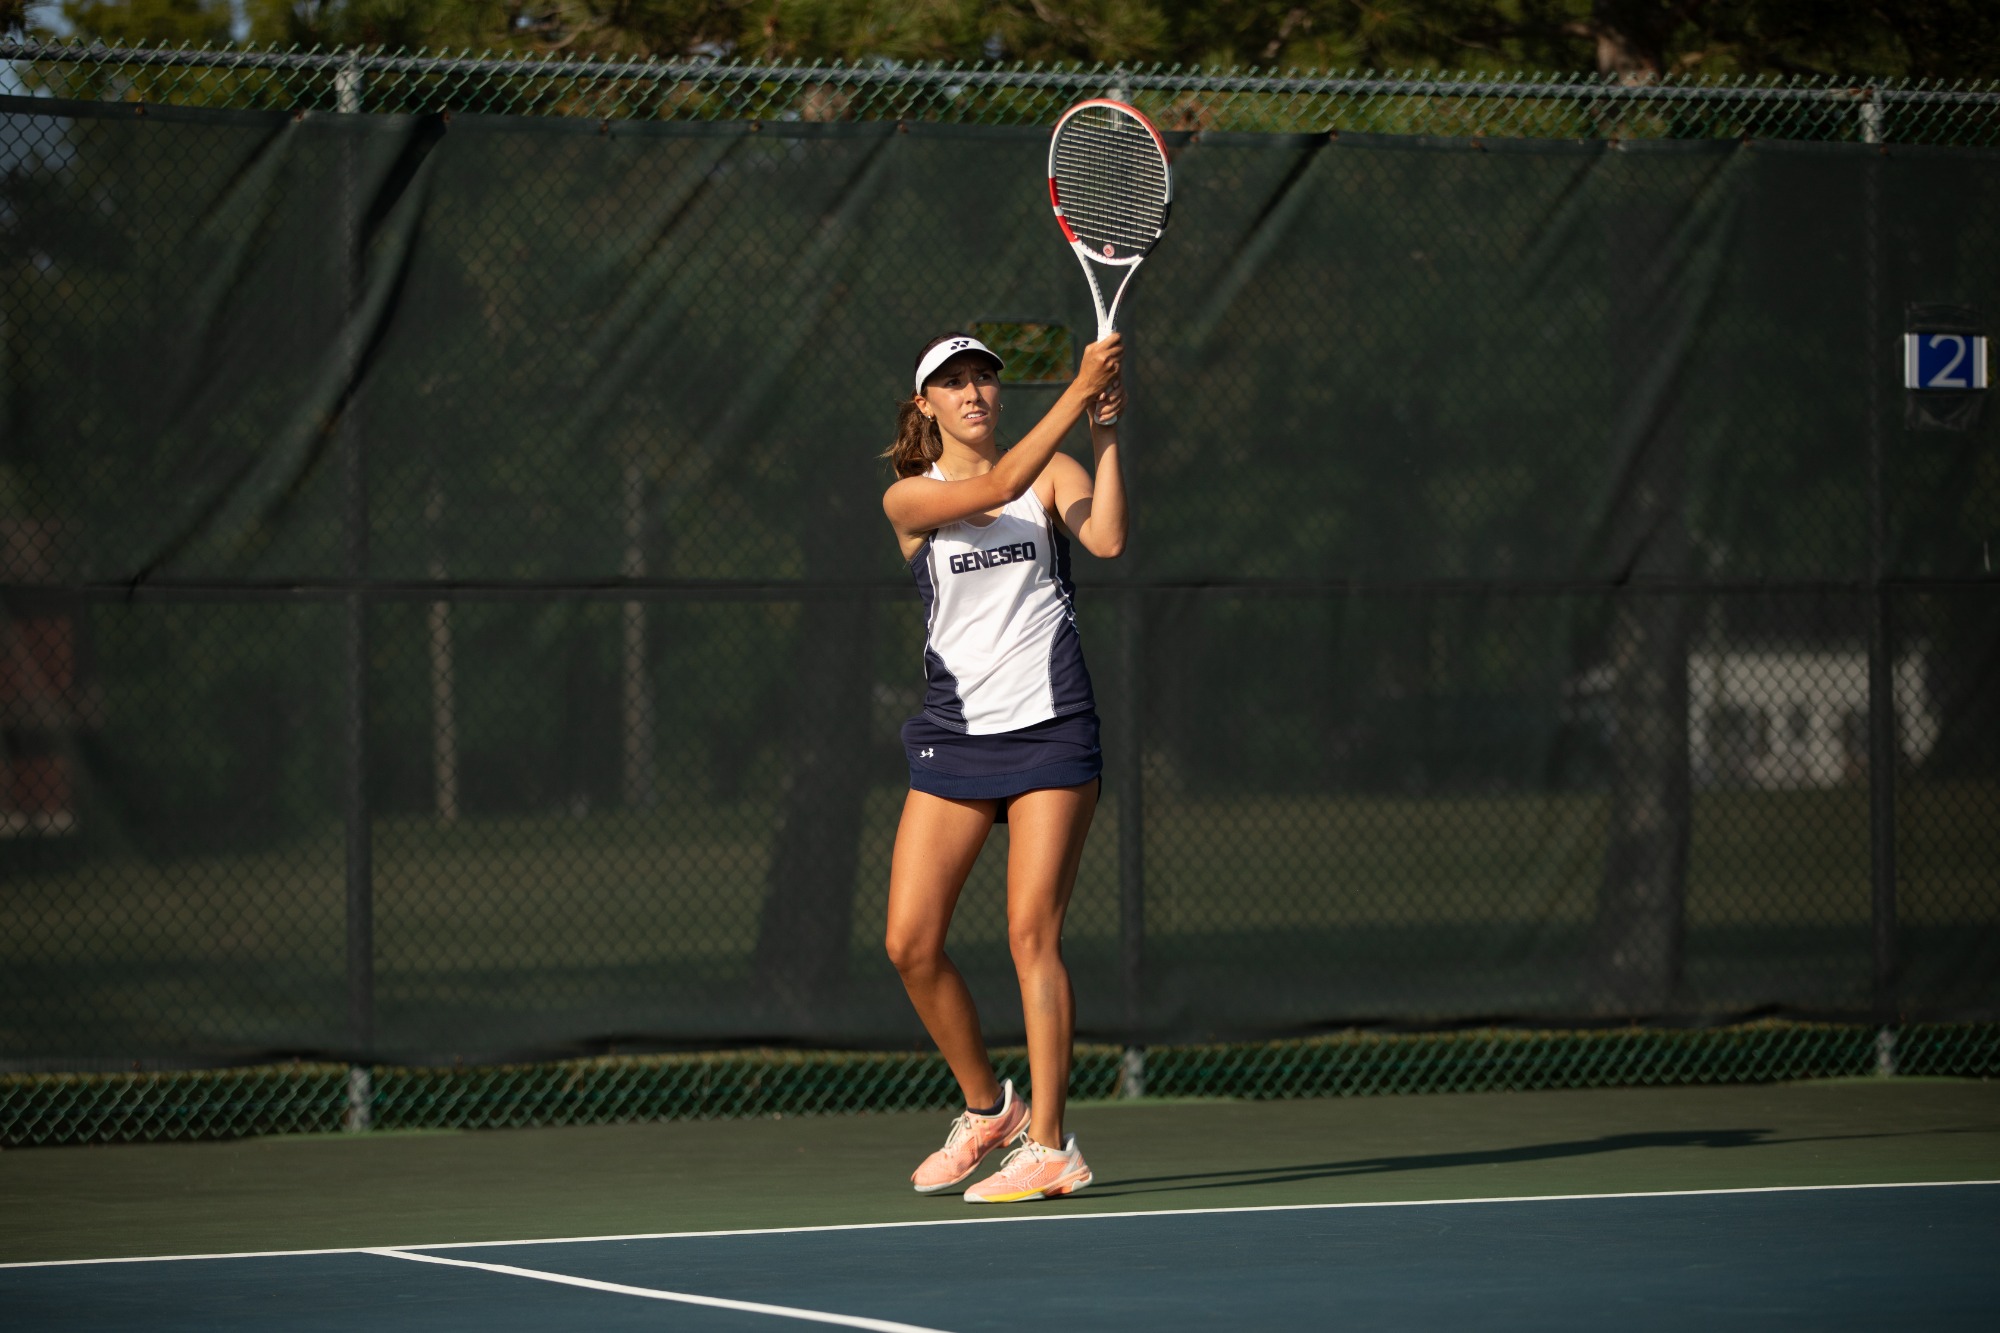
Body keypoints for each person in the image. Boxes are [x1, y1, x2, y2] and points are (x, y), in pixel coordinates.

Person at [880, 329, 1127, 1204]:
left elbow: (1105, 539)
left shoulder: (1053, 469)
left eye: (984, 375)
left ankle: (1054, 1144)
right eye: (952, 382)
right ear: (926, 406)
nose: (974, 390)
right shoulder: (909, 498)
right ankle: (992, 1108)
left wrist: (1101, 431)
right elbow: (996, 486)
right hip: (956, 737)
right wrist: (1077, 386)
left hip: (1053, 733)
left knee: (1033, 935)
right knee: (910, 942)